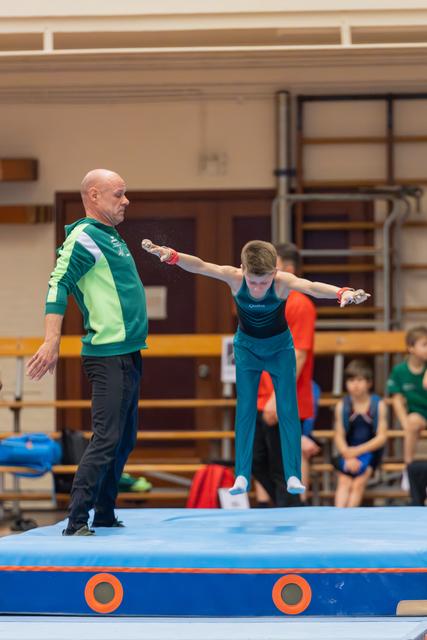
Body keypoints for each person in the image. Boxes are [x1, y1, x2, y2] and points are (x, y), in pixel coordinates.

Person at [142, 238, 369, 496]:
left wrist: (342, 292)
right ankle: (241, 475)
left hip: (280, 349)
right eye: (253, 282)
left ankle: (293, 474)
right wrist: (172, 255)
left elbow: (313, 287)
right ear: (243, 270)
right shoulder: (235, 277)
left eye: (265, 282)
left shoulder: (283, 282)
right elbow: (202, 266)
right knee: (246, 409)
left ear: (275, 273)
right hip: (247, 349)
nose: (259, 288)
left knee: (287, 407)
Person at [27, 169, 148, 536]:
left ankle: (106, 512)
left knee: (124, 438)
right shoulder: (84, 237)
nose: (126, 201)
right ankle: (77, 518)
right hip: (107, 354)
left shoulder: (110, 235)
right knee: (106, 436)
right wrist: (52, 339)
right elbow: (57, 283)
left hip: (128, 352)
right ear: (94, 196)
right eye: (118, 194)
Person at [253, 243, 319, 507]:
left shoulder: (299, 303)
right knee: (255, 460)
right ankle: (290, 506)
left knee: (283, 471)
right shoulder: (267, 300)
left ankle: (291, 510)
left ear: (288, 269)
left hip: (283, 400)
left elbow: (299, 354)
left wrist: (278, 398)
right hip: (261, 396)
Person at [334, 360, 387, 508]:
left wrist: (357, 451)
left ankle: (349, 521)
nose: (355, 384)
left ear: (369, 383)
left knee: (358, 483)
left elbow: (382, 437)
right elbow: (338, 435)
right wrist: (346, 453)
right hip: (348, 451)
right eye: (351, 380)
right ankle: (337, 519)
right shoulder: (342, 406)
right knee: (344, 481)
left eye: (360, 380)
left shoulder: (378, 405)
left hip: (370, 453)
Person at [387, 325, 427, 491]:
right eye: (424, 344)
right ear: (411, 348)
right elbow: (396, 399)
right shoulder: (399, 371)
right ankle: (408, 469)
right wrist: (404, 422)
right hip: (418, 413)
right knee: (411, 422)